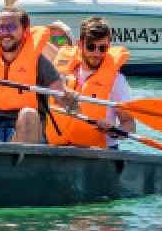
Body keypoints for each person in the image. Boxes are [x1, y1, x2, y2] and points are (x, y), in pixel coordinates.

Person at [0, 6, 77, 143]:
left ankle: (15, 162)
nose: (5, 33)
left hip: (24, 128)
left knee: (28, 115)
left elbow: (61, 95)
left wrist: (70, 100)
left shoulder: (38, 62)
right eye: (1, 28)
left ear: (25, 31)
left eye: (12, 28)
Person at [45, 15, 135, 149]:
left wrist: (114, 130)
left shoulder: (117, 80)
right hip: (58, 149)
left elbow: (130, 125)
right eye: (91, 47)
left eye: (102, 48)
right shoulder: (60, 71)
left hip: (97, 152)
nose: (97, 53)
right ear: (80, 45)